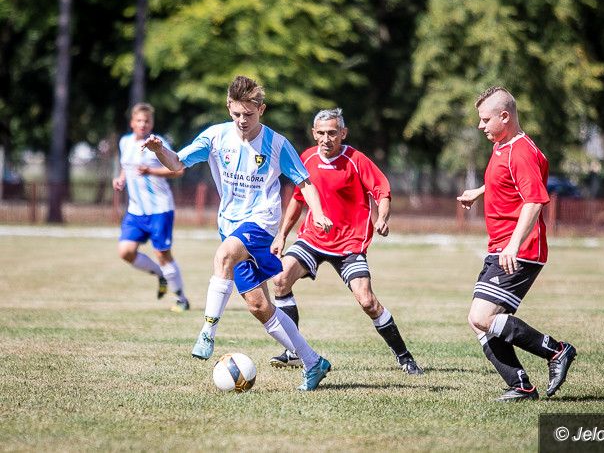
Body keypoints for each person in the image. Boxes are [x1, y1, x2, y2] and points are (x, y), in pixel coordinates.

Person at [141, 76, 333, 391]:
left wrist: (320, 212)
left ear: (262, 110)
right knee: (259, 306)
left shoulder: (277, 144)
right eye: (237, 114)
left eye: (249, 114)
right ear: (229, 106)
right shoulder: (216, 137)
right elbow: (176, 164)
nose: (243, 120)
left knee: (224, 256)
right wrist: (160, 149)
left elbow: (304, 182)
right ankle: (313, 362)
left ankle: (207, 331)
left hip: (261, 222)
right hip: (230, 225)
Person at [269, 108, 424, 375]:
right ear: (313, 133)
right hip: (313, 239)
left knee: (367, 301)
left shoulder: (356, 160)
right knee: (281, 280)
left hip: (349, 245)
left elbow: (382, 192)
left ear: (343, 133)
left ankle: (404, 357)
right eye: (321, 133)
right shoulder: (306, 158)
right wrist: (282, 235)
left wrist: (382, 218)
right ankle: (294, 352)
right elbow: (297, 199)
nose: (326, 139)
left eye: (332, 133)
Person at [457, 86, 576, 402]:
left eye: (485, 120)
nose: (480, 126)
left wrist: (512, 245)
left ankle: (557, 351)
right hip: (502, 246)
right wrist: (479, 192)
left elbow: (534, 201)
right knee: (479, 322)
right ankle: (520, 385)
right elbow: (506, 180)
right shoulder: (503, 145)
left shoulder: (521, 151)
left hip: (520, 250)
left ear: (504, 116)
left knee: (482, 317)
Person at [112, 103, 190, 313]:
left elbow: (179, 170)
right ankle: (161, 274)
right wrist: (120, 179)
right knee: (125, 251)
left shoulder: (158, 143)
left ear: (151, 124)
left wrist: (151, 171)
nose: (143, 124)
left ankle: (182, 299)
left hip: (159, 209)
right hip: (136, 210)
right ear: (132, 123)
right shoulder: (125, 142)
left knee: (163, 254)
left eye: (146, 121)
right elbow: (126, 166)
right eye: (139, 121)